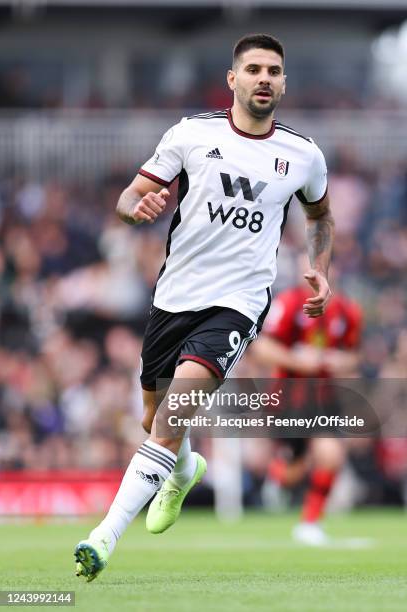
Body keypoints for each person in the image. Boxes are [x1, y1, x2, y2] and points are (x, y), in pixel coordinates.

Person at [75, 32, 334, 581]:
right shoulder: (191, 135)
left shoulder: (303, 155)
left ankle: (103, 537)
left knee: (169, 418)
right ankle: (185, 466)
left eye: (274, 71)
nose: (265, 78)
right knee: (154, 418)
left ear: (283, 83)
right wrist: (135, 209)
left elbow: (320, 217)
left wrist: (319, 267)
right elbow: (127, 198)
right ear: (233, 79)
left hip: (238, 303)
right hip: (174, 299)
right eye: (255, 69)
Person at [251, 257, 362, 545]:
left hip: (324, 400)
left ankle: (310, 523)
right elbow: (261, 347)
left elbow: (354, 356)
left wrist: (338, 362)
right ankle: (278, 475)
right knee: (294, 470)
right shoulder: (288, 303)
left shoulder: (348, 311)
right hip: (289, 399)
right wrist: (299, 361)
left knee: (330, 455)